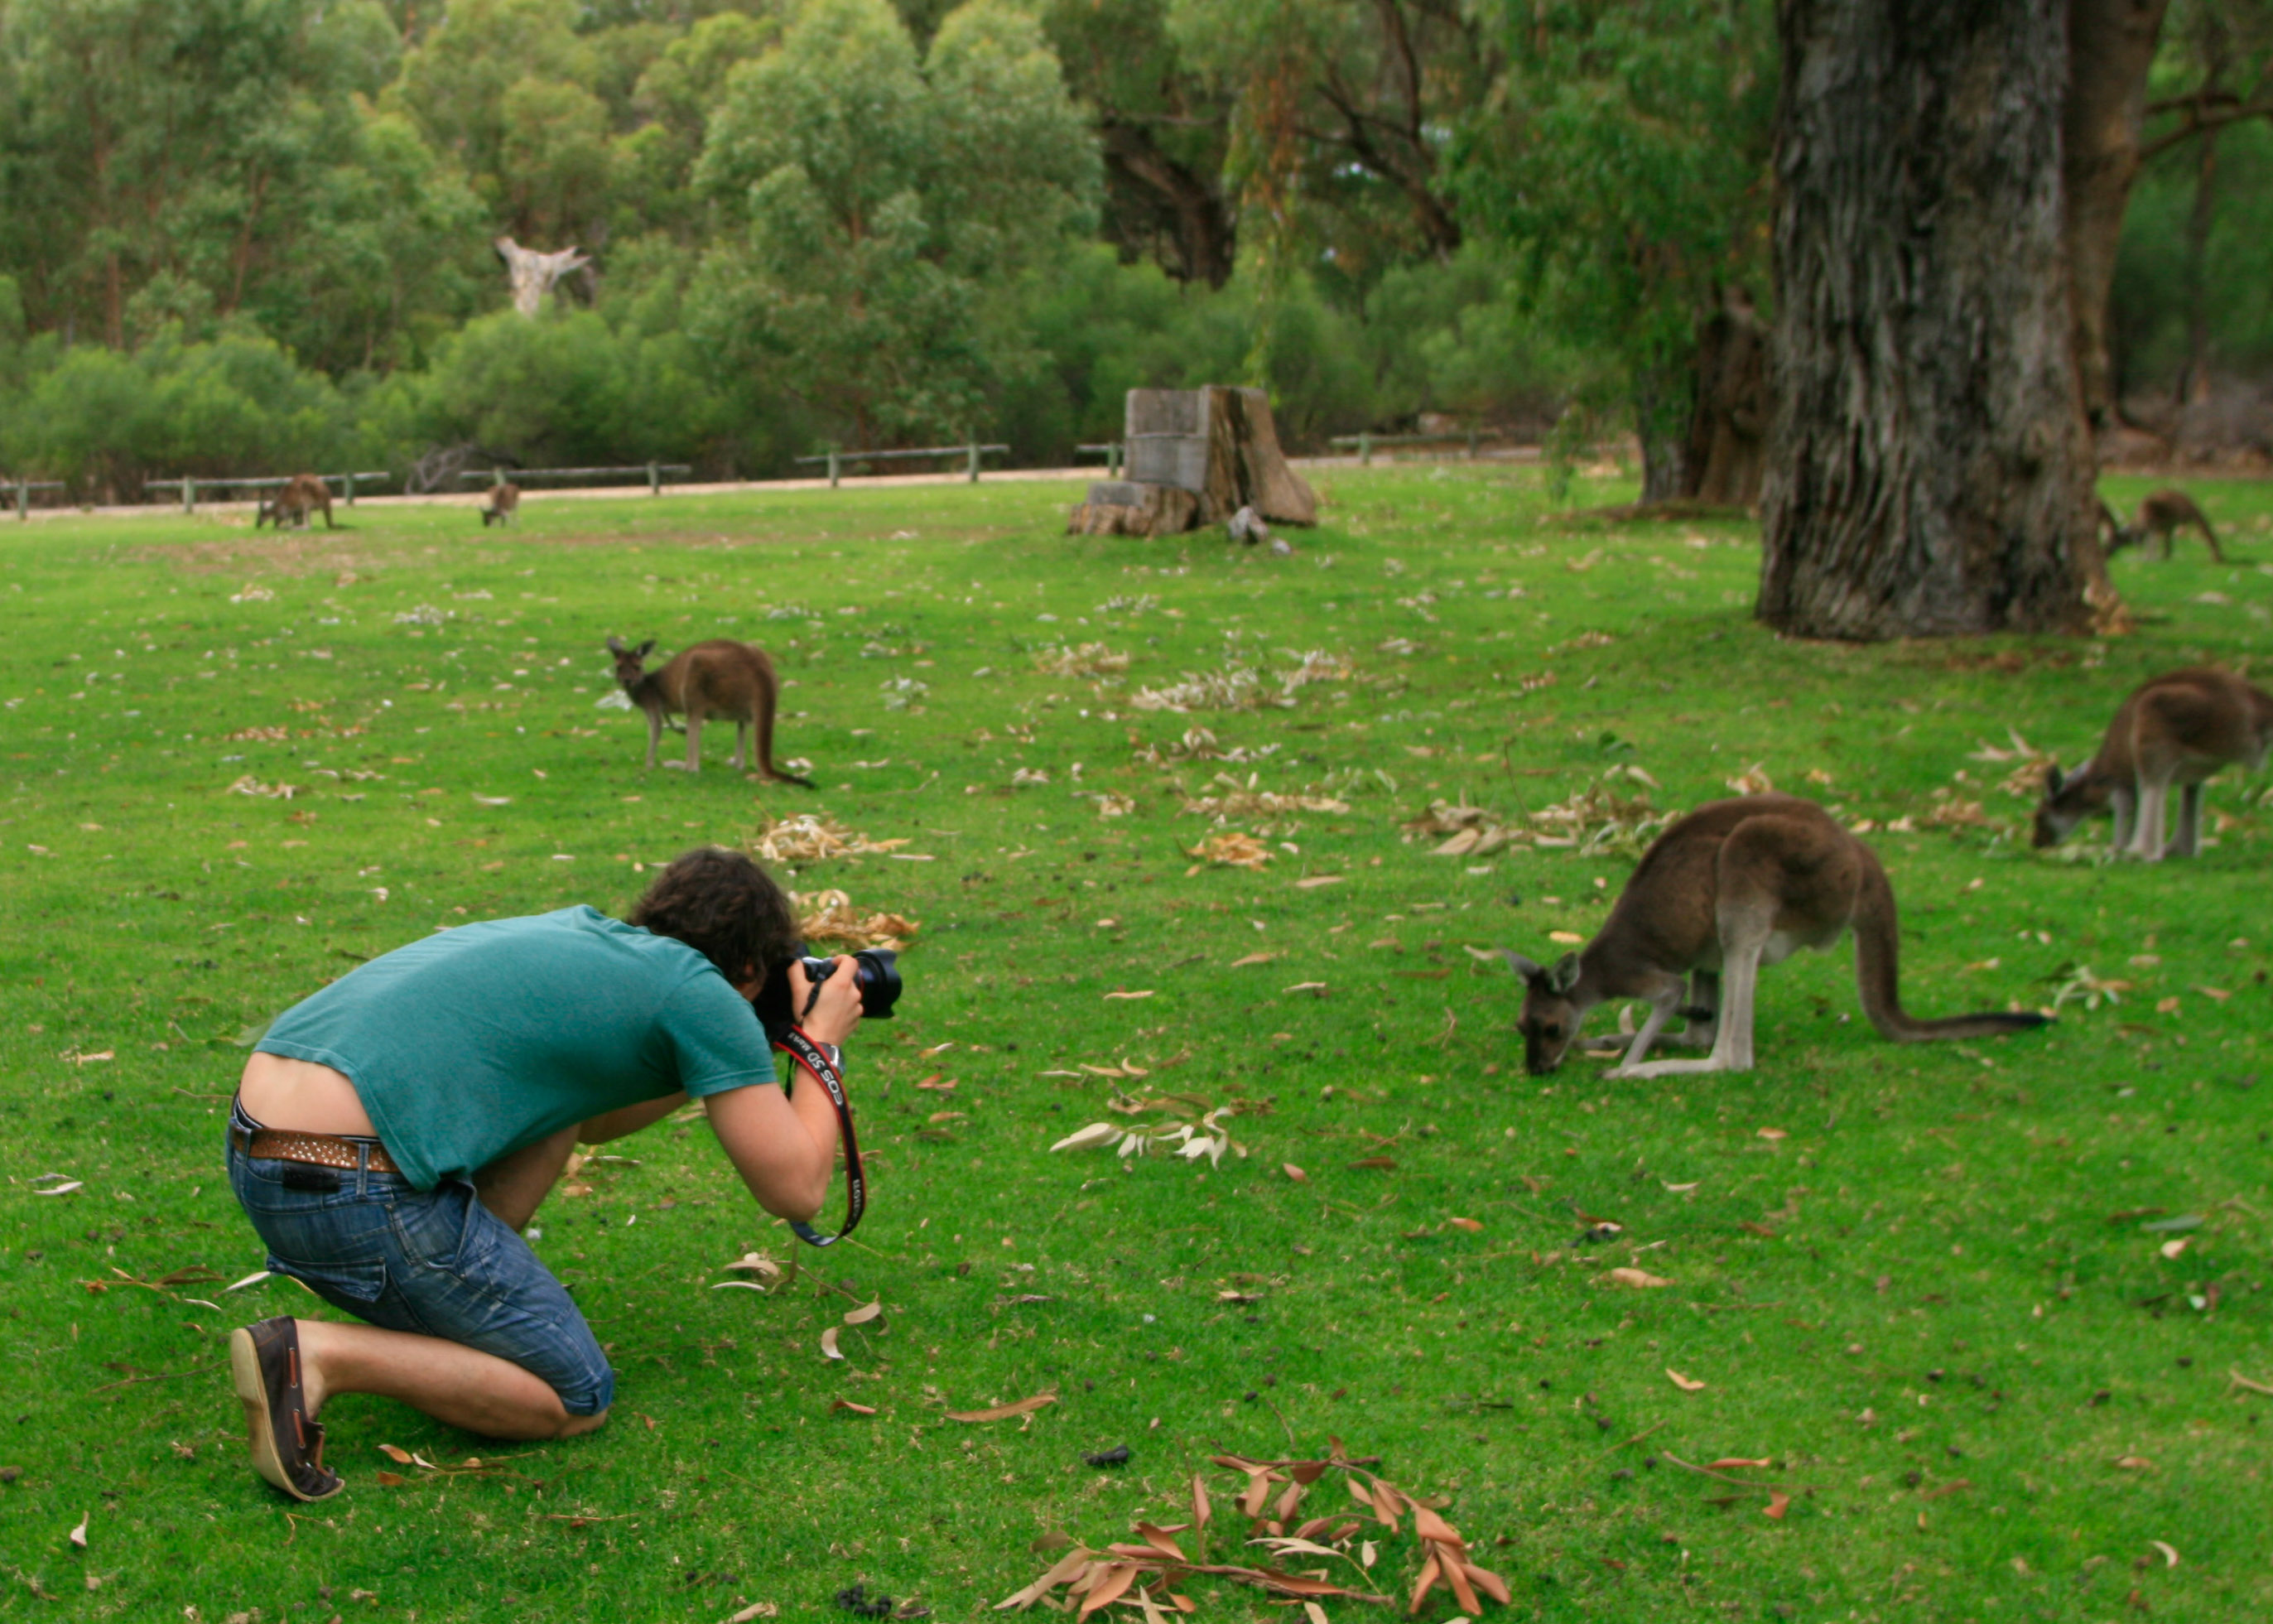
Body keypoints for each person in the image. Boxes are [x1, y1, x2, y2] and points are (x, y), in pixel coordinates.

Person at [222, 847, 862, 1501]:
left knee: (553, 1109)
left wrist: (717, 1061)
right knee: (575, 1394)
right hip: (349, 1191)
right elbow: (796, 1190)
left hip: (261, 1147)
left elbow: (588, 1116)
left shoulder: (584, 937)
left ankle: (453, 1304)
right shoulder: (706, 994)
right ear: (753, 968)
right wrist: (820, 1039)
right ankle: (317, 1354)